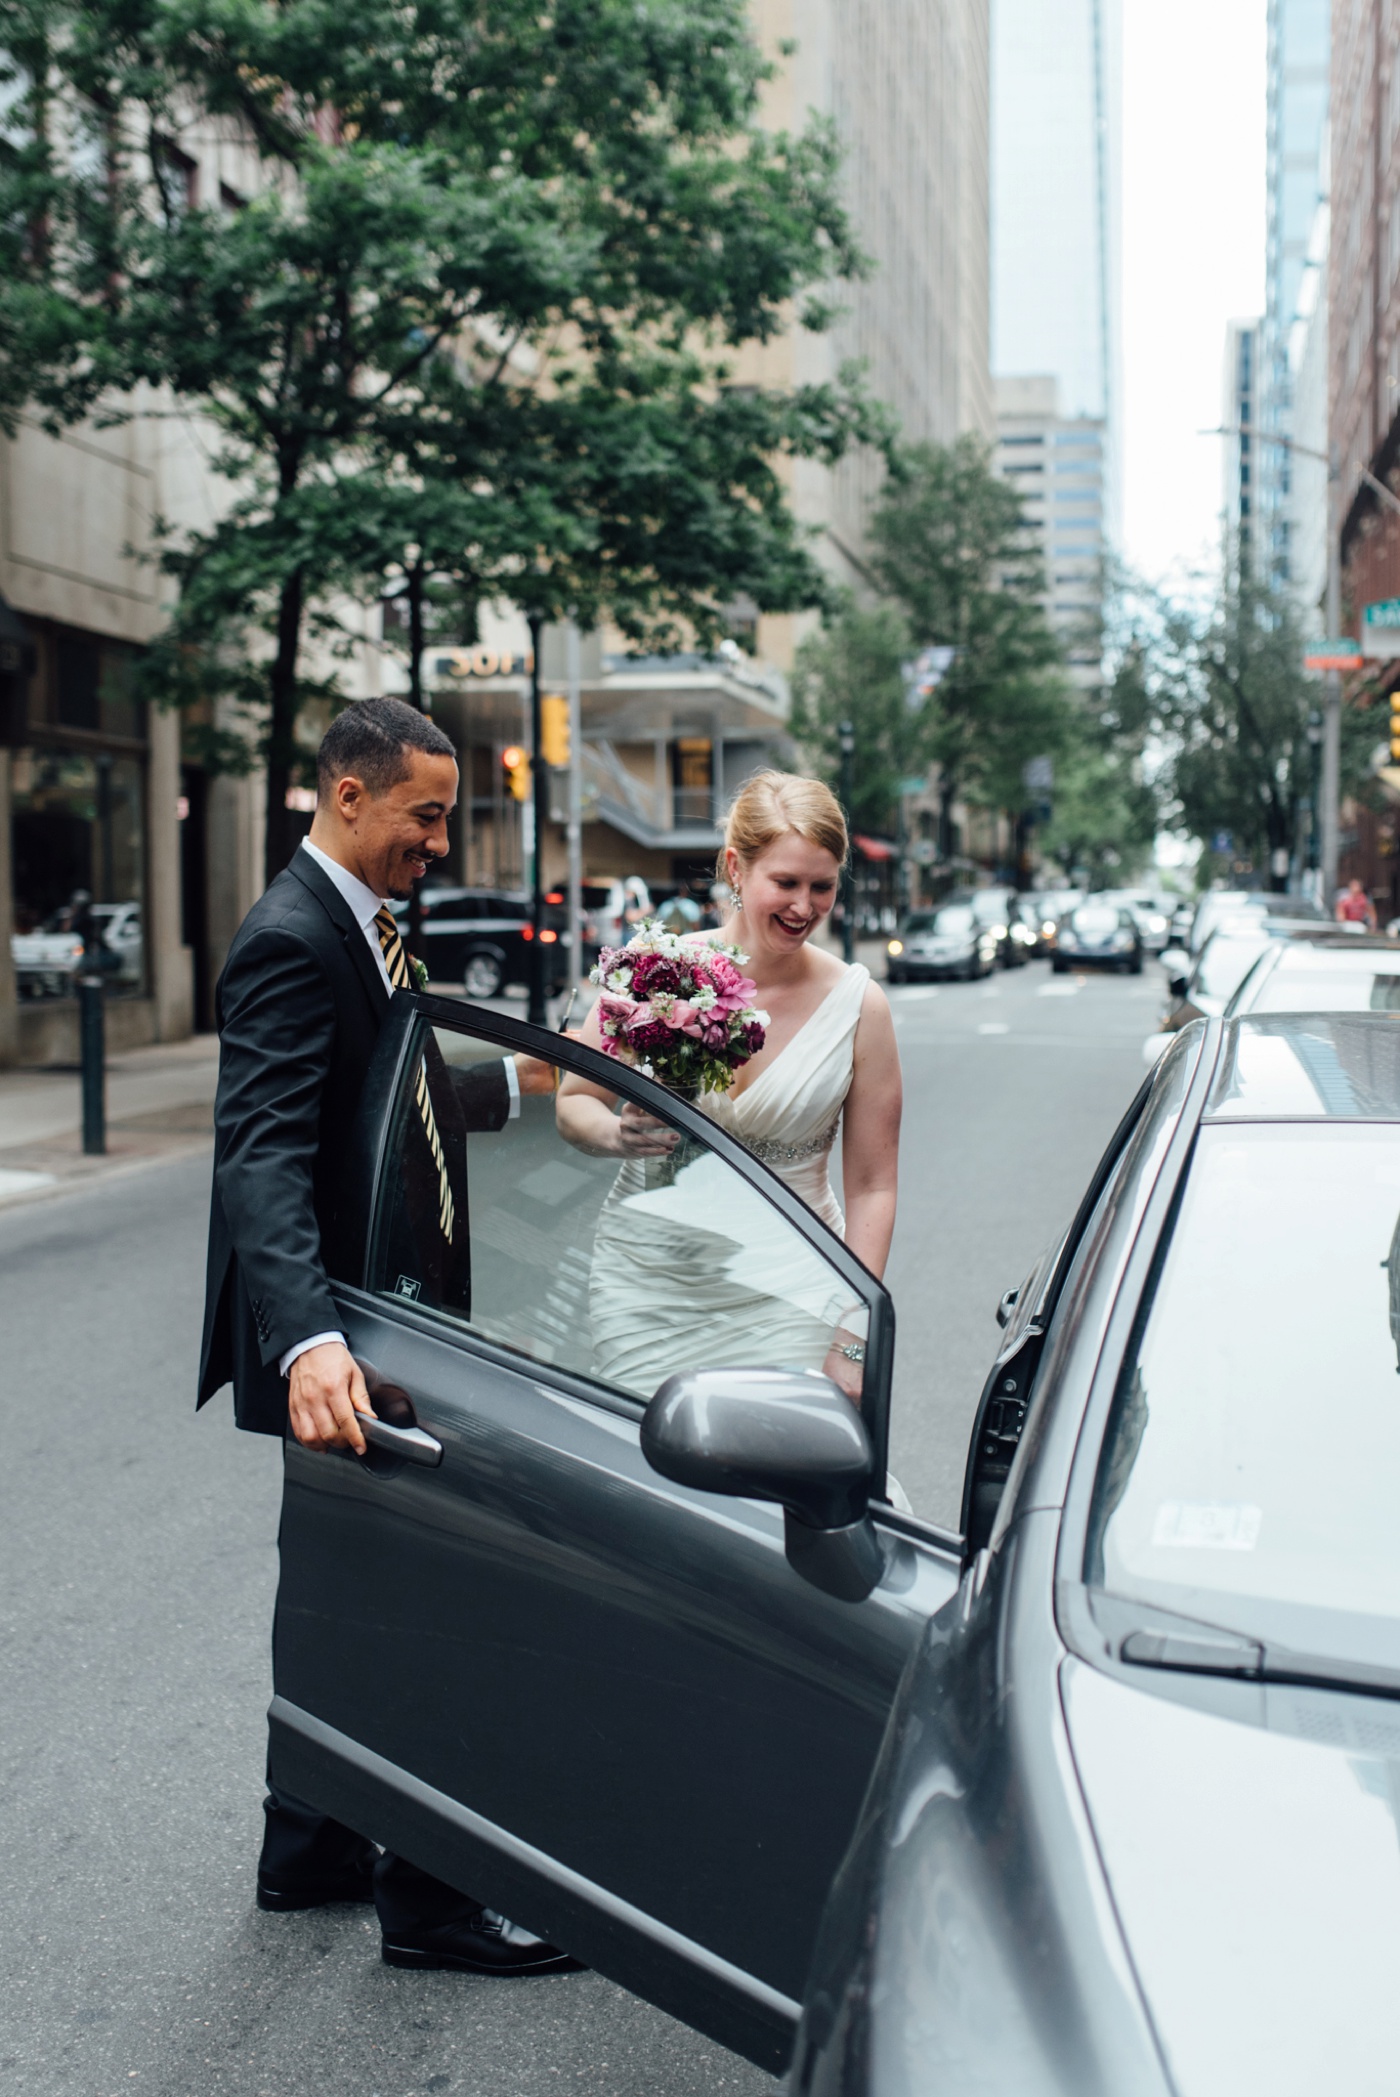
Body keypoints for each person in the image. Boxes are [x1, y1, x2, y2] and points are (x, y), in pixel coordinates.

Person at [196, 696, 578, 1977]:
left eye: (448, 818)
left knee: (345, 1584)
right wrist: (309, 1344)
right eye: (425, 816)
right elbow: (260, 1155)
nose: (441, 843)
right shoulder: (294, 938)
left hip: (374, 1321)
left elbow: (379, 1096)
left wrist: (519, 1085)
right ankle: (431, 1903)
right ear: (347, 796)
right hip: (352, 1339)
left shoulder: (361, 927)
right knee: (425, 1593)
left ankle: (306, 1852)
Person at [557, 772, 902, 1402]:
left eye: (822, 887)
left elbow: (874, 1186)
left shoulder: (861, 1008)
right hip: (647, 1282)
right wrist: (616, 1134)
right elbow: (574, 1102)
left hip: (793, 1286)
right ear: (737, 869)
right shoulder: (657, 971)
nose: (805, 906)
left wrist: (854, 1334)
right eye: (787, 883)